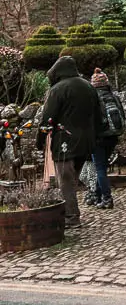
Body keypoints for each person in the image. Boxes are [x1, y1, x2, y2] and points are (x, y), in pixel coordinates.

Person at [37, 56, 103, 228]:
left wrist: (40, 140)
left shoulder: (58, 89)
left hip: (65, 141)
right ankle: (69, 212)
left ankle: (71, 217)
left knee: (65, 180)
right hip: (86, 142)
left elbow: (47, 119)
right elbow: (98, 114)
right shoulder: (89, 86)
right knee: (72, 179)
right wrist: (96, 138)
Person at [86, 69, 125, 210]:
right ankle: (97, 194)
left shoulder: (92, 99)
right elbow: (123, 115)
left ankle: (107, 199)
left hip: (98, 137)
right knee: (102, 167)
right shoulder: (114, 97)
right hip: (113, 136)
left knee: (99, 168)